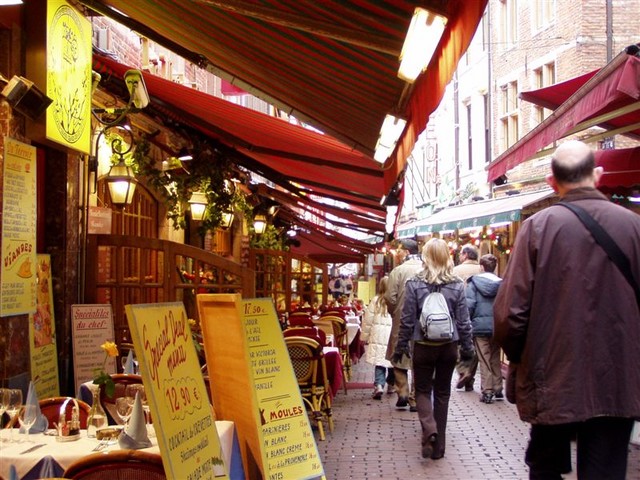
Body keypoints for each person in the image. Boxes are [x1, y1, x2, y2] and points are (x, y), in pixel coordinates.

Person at [493, 140, 640, 480]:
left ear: (551, 181)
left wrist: (521, 359)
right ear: (598, 175)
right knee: (605, 470)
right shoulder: (634, 227)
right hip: (616, 374)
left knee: (545, 467)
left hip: (551, 376)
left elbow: (510, 313)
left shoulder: (537, 228)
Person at [393, 238, 474, 460]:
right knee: (442, 393)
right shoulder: (457, 284)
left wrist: (401, 347)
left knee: (421, 390)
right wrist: (467, 349)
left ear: (426, 257)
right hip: (449, 346)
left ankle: (429, 429)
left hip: (423, 345)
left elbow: (407, 320)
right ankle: (439, 448)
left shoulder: (414, 282)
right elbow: (464, 321)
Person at [385, 239, 423, 411]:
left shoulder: (398, 271)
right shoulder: (427, 268)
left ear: (407, 252)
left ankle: (403, 392)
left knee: (398, 355)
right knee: (420, 359)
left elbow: (390, 297)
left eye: (399, 251)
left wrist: (395, 313)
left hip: (401, 320)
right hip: (423, 322)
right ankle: (415, 398)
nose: (397, 255)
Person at [465, 254, 503, 404]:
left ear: (481, 267)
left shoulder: (474, 283)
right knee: (495, 356)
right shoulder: (502, 283)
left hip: (479, 326)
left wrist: (468, 323)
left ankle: (487, 390)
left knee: (484, 358)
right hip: (497, 326)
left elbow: (469, 305)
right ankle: (498, 386)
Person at [452, 244, 482, 391]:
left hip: (460, 311)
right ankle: (470, 378)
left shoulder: (456, 270)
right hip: (480, 313)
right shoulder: (482, 269)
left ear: (465, 255)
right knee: (476, 346)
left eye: (460, 254)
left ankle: (464, 371)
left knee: (459, 344)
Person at [361, 276, 395, 399]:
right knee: (392, 362)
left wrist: (364, 336)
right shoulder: (395, 300)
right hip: (392, 334)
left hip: (378, 335)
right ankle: (391, 384)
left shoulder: (375, 301)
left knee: (379, 362)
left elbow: (368, 321)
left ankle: (379, 385)